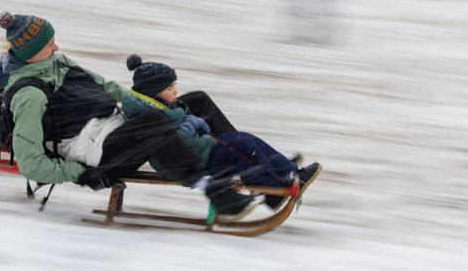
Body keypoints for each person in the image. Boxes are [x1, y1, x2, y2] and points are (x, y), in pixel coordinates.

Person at [0, 11, 269, 222]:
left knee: (195, 101)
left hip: (114, 127)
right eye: (49, 44)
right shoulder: (29, 95)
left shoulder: (59, 64)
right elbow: (30, 164)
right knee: (153, 123)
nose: (56, 47)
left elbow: (110, 88)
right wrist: (81, 173)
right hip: (97, 159)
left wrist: (149, 101)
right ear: (31, 53)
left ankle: (253, 168)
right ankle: (218, 194)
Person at [122, 55, 321, 209]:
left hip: (202, 149)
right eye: (169, 88)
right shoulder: (149, 114)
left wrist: (192, 122)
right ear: (152, 92)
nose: (175, 91)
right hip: (193, 162)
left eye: (174, 85)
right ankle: (274, 190)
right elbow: (176, 140)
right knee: (244, 148)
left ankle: (289, 172)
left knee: (245, 139)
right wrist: (194, 123)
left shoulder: (162, 106)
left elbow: (182, 129)